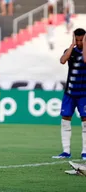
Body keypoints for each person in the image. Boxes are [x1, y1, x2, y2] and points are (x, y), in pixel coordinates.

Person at [52, 28, 86, 160]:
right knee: (65, 120)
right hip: (70, 93)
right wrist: (72, 45)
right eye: (76, 40)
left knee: (85, 122)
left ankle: (84, 152)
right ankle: (66, 151)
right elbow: (62, 60)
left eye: (81, 40)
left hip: (83, 94)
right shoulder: (70, 51)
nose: (79, 42)